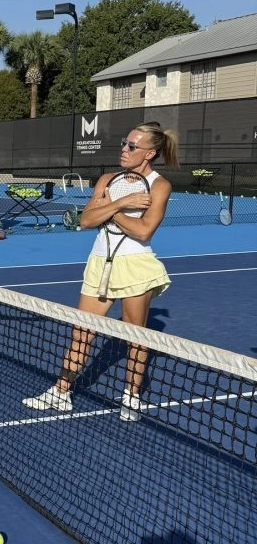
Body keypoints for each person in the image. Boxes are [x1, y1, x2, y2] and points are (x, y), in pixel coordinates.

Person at [23, 123, 179, 422]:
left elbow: (144, 231)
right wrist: (121, 203)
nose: (124, 148)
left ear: (150, 152)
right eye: (124, 142)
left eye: (132, 145)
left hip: (135, 265)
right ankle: (61, 392)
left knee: (135, 337)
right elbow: (85, 221)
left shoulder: (160, 186)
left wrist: (110, 210)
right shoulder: (107, 179)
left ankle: (131, 396)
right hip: (99, 262)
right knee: (82, 331)